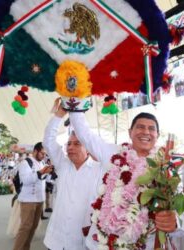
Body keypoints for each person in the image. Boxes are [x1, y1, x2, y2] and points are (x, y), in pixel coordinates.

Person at [67, 101, 177, 249]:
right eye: (140, 127)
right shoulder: (114, 154)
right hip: (101, 243)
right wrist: (74, 99)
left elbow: (178, 208)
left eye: (151, 129)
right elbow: (84, 134)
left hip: (143, 244)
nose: (146, 132)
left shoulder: (164, 166)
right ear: (130, 132)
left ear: (157, 135)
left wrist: (174, 221)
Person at [43, 108, 104, 250]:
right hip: (55, 241)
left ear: (88, 148)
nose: (71, 147)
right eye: (69, 143)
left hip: (82, 243)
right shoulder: (62, 164)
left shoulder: (99, 170)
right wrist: (59, 115)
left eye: (77, 144)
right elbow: (48, 141)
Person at [13, 142, 52, 250]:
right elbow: (26, 180)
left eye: (45, 154)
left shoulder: (42, 163)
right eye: (42, 153)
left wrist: (49, 172)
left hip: (40, 200)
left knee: (33, 227)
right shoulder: (25, 163)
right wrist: (40, 172)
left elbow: (43, 180)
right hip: (28, 200)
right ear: (35, 151)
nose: (44, 156)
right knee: (25, 228)